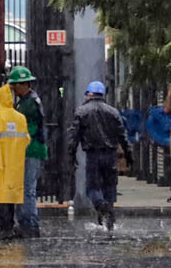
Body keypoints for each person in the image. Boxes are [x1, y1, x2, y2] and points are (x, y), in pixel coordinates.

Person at [67, 81, 133, 231]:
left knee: (92, 188)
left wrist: (71, 155)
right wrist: (129, 155)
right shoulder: (113, 112)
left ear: (89, 94)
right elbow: (123, 136)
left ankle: (100, 205)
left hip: (93, 155)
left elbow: (73, 136)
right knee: (110, 187)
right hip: (110, 155)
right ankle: (108, 221)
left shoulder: (82, 112)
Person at [0, 84, 31, 240]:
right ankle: (10, 227)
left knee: (0, 198)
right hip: (15, 163)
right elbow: (27, 139)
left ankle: (5, 229)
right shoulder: (20, 117)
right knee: (11, 197)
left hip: (0, 163)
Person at [7, 66, 47, 238]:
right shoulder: (29, 99)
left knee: (27, 189)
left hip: (32, 150)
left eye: (15, 85)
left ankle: (30, 225)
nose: (13, 89)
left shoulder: (28, 103)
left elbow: (25, 128)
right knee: (26, 188)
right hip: (33, 149)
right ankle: (27, 223)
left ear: (24, 84)